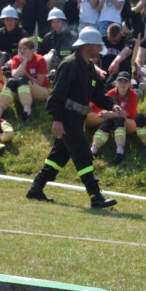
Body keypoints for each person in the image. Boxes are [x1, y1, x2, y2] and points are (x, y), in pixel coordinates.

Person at [25, 26, 119, 208]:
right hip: (67, 118)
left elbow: (97, 92)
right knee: (83, 154)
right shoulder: (69, 65)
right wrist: (57, 120)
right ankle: (95, 196)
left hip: (77, 118)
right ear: (87, 46)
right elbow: (57, 95)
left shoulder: (89, 67)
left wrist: (111, 104)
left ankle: (36, 188)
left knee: (58, 156)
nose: (100, 49)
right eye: (97, 46)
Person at [89, 72, 144, 165]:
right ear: (116, 83)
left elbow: (124, 114)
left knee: (119, 119)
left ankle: (120, 151)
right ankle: (94, 149)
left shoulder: (133, 95)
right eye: (120, 81)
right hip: (115, 121)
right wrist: (106, 115)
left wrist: (109, 114)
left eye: (125, 81)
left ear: (129, 84)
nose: (123, 84)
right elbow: (106, 109)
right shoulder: (111, 93)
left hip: (130, 123)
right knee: (107, 122)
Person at [0, 37, 49, 122]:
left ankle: (27, 111)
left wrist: (27, 75)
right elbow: (15, 76)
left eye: (25, 49)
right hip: (22, 90)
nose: (22, 51)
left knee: (23, 80)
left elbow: (40, 83)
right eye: (20, 48)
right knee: (11, 81)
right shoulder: (16, 59)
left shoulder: (40, 60)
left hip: (41, 91)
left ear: (32, 50)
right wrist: (24, 61)